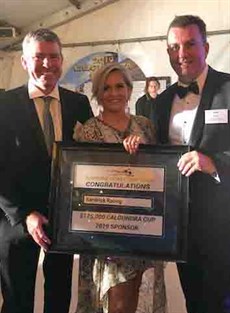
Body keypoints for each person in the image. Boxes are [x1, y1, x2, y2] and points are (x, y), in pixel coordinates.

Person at [0, 28, 93, 313]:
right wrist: (24, 215)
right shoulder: (4, 105)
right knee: (17, 301)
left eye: (53, 57)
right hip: (15, 221)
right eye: (39, 57)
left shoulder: (79, 104)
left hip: (64, 221)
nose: (47, 64)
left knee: (59, 299)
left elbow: (91, 160)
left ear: (62, 60)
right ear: (25, 62)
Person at [74, 62, 167, 313]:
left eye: (120, 86)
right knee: (116, 306)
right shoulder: (89, 131)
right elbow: (86, 187)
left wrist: (141, 156)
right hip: (108, 235)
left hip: (144, 231)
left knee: (142, 300)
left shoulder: (145, 125)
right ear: (97, 93)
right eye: (106, 88)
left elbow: (160, 173)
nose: (114, 93)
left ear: (129, 89)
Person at [154, 15, 230, 313]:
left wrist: (213, 163)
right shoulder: (160, 102)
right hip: (181, 224)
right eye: (174, 47)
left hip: (223, 223)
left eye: (189, 44)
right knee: (195, 301)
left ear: (206, 47)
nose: (181, 54)